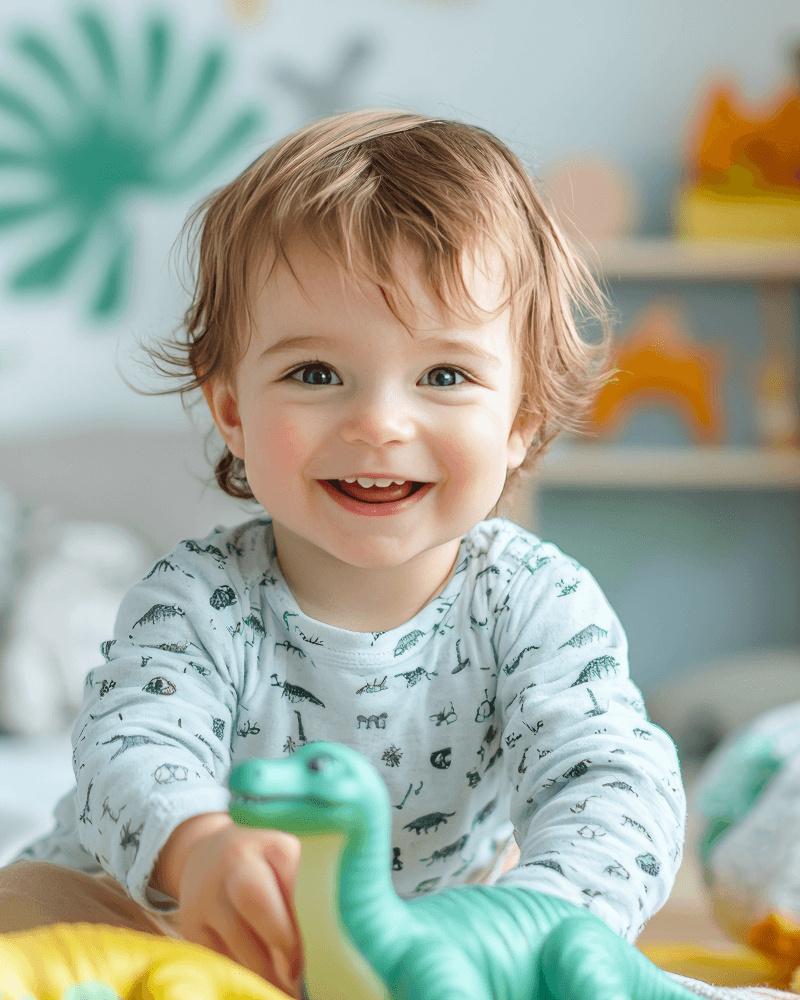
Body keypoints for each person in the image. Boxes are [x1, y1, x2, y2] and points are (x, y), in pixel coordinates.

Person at [0, 110, 686, 999]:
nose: (378, 423)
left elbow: (611, 776)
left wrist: (536, 919)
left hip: (426, 937)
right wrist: (199, 848)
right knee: (25, 908)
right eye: (316, 373)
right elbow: (129, 746)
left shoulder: (536, 602)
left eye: (445, 376)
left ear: (520, 420)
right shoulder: (196, 597)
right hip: (171, 912)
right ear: (233, 412)